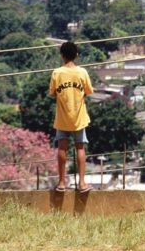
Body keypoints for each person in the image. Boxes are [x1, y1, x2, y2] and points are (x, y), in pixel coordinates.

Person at [49, 41, 94, 193]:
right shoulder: (82, 72)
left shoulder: (57, 73)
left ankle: (61, 183)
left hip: (62, 117)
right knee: (80, 147)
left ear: (62, 56)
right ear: (76, 55)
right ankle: (82, 183)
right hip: (79, 118)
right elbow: (88, 91)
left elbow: (53, 92)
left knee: (62, 147)